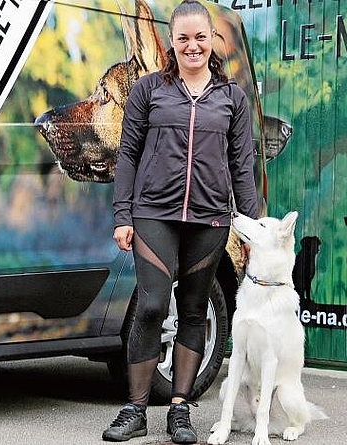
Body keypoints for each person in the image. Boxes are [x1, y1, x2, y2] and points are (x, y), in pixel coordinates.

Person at [101, 0, 259, 443]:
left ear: (212, 41)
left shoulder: (231, 98)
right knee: (152, 305)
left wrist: (250, 229)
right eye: (184, 38)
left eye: (200, 37)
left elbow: (241, 167)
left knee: (193, 309)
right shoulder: (149, 90)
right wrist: (122, 214)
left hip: (210, 220)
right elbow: (127, 155)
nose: (192, 46)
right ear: (172, 42)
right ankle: (134, 410)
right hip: (154, 214)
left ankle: (180, 410)